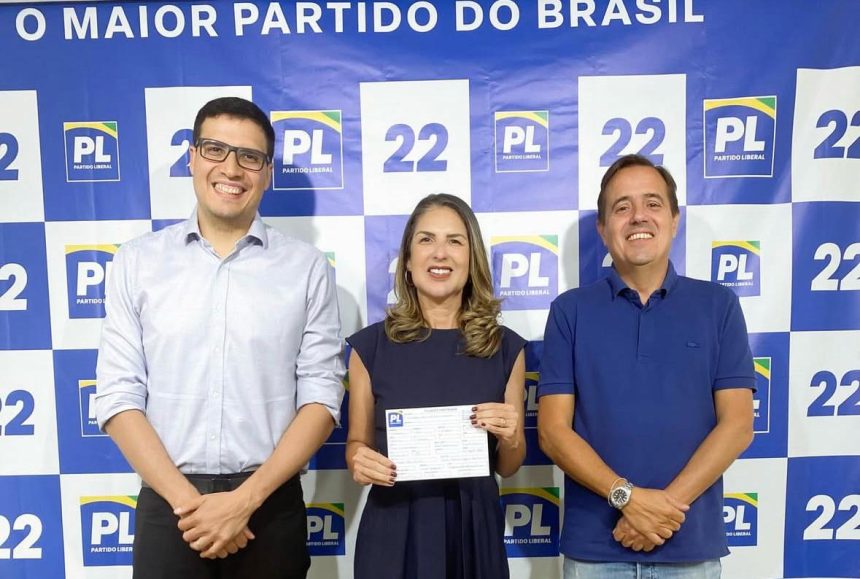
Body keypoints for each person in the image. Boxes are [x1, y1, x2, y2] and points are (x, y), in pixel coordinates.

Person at [95, 96, 345, 579]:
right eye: (215, 149)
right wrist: (193, 507)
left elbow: (321, 397)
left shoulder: (307, 268)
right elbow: (118, 396)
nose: (231, 168)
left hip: (269, 507)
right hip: (171, 509)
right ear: (191, 157)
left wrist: (243, 502)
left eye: (249, 157)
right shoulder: (137, 262)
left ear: (266, 172)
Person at [537, 154, 755, 578]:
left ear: (674, 220)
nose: (638, 217)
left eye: (653, 204)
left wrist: (660, 513)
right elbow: (553, 432)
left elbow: (737, 426)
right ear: (603, 229)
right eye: (622, 207)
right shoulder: (570, 312)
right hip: (595, 553)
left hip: (690, 549)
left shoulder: (719, 306)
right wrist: (629, 499)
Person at [346, 193, 526, 579]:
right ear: (408, 262)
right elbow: (356, 446)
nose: (440, 253)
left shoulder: (505, 348)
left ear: (472, 258)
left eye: (455, 241)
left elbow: (509, 467)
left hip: (475, 532)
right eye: (426, 240)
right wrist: (359, 460)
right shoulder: (369, 348)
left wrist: (510, 436)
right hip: (394, 532)